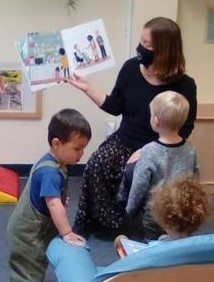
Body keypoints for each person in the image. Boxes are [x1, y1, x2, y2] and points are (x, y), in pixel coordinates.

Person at [63, 17, 197, 234]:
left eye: (146, 45)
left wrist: (146, 150)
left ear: (164, 51)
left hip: (160, 146)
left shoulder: (185, 85)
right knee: (97, 164)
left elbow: (185, 127)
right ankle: (94, 222)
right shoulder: (131, 68)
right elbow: (115, 106)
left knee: (136, 173)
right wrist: (86, 87)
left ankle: (129, 226)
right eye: (141, 42)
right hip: (125, 139)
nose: (140, 49)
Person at [7, 108, 91, 282]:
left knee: (25, 266)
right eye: (77, 148)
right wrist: (67, 233)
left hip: (25, 229)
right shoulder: (50, 172)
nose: (81, 153)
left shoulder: (51, 160)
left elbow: (46, 195)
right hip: (28, 235)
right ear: (56, 143)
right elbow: (53, 205)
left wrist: (59, 197)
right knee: (29, 271)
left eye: (84, 148)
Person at [118, 91, 199, 241]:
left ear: (155, 120)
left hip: (156, 213)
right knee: (178, 239)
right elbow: (194, 179)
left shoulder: (149, 151)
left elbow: (140, 183)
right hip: (182, 211)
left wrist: (131, 209)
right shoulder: (190, 149)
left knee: (153, 241)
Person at [115, 176, 210, 258]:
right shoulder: (208, 247)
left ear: (164, 223)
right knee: (163, 238)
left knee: (120, 243)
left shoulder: (151, 251)